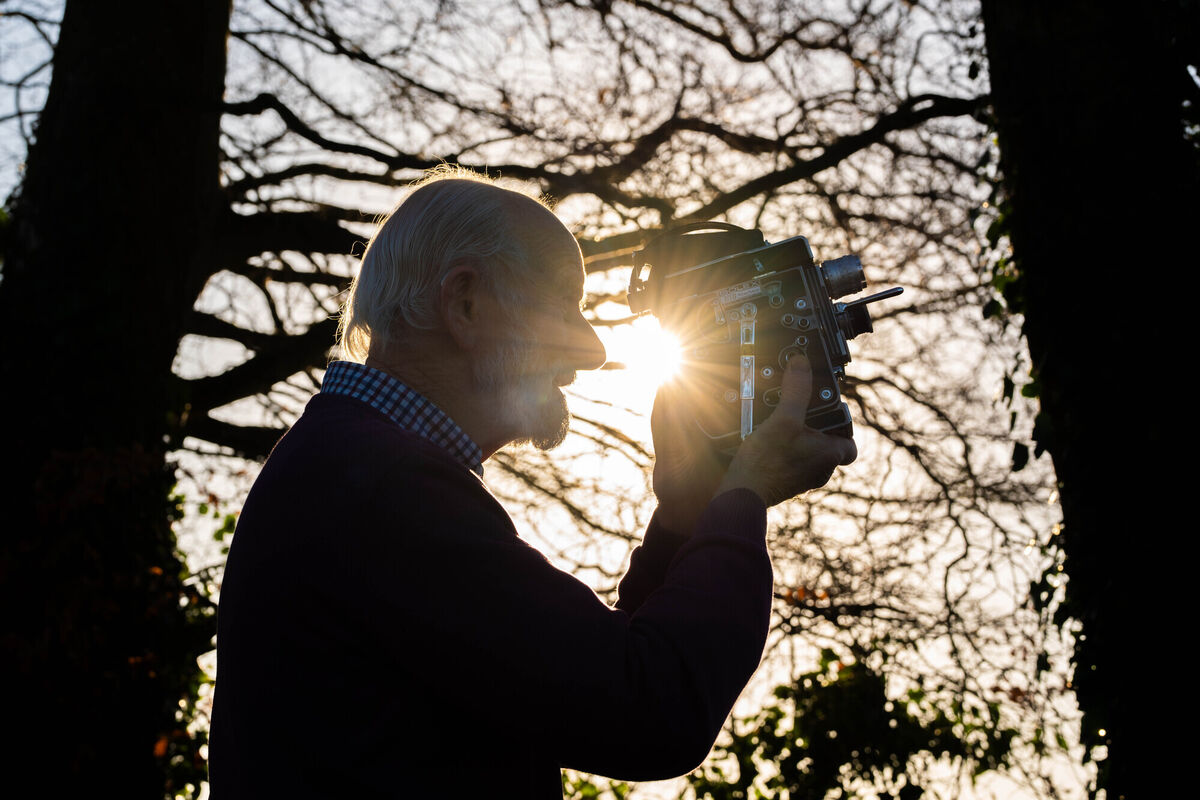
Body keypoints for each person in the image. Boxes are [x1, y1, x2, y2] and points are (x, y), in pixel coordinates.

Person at [208, 166, 857, 798]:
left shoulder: (347, 468)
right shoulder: (380, 490)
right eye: (563, 308)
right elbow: (651, 710)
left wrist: (689, 511)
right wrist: (744, 498)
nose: (592, 349)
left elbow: (593, 683)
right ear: (466, 303)